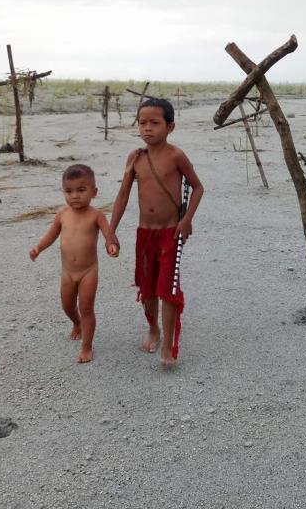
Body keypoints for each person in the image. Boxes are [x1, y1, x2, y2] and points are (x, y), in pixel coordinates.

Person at [110, 98, 203, 366]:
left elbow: (197, 187)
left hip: (170, 234)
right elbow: (123, 195)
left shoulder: (176, 156)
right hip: (144, 234)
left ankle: (168, 350)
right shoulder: (135, 158)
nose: (147, 128)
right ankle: (153, 329)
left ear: (170, 127)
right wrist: (111, 231)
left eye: (154, 123)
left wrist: (186, 221)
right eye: (142, 123)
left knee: (168, 289)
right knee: (147, 288)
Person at [30, 163, 118, 363]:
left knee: (86, 307)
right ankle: (76, 323)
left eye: (81, 190)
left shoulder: (96, 215)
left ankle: (86, 346)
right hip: (68, 273)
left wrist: (112, 245)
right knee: (67, 306)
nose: (74, 196)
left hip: (88, 271)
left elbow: (108, 234)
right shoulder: (62, 214)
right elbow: (51, 235)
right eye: (68, 191)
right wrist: (38, 248)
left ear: (94, 192)